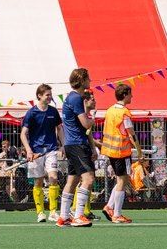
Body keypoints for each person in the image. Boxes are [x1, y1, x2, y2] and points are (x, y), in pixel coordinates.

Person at [55, 68, 98, 227]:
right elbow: (86, 124)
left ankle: (63, 217)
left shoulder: (70, 98)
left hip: (72, 144)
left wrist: (92, 147)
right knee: (89, 178)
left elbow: (82, 126)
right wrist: (93, 118)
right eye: (88, 78)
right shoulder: (76, 98)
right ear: (82, 80)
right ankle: (79, 215)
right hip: (77, 144)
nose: (90, 81)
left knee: (72, 180)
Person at [99, 82, 143, 224]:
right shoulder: (124, 113)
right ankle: (117, 214)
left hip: (110, 150)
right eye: (130, 94)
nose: (132, 96)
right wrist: (140, 151)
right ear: (125, 95)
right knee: (123, 181)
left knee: (120, 180)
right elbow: (131, 133)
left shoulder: (110, 110)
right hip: (121, 151)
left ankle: (109, 207)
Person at [20, 84, 64, 223]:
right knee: (38, 181)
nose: (50, 97)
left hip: (51, 150)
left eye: (50, 94)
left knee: (53, 177)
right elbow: (23, 134)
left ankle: (53, 211)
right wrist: (29, 151)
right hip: (36, 152)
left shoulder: (53, 111)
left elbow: (59, 129)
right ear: (39, 96)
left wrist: (63, 145)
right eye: (47, 95)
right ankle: (40, 212)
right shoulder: (31, 113)